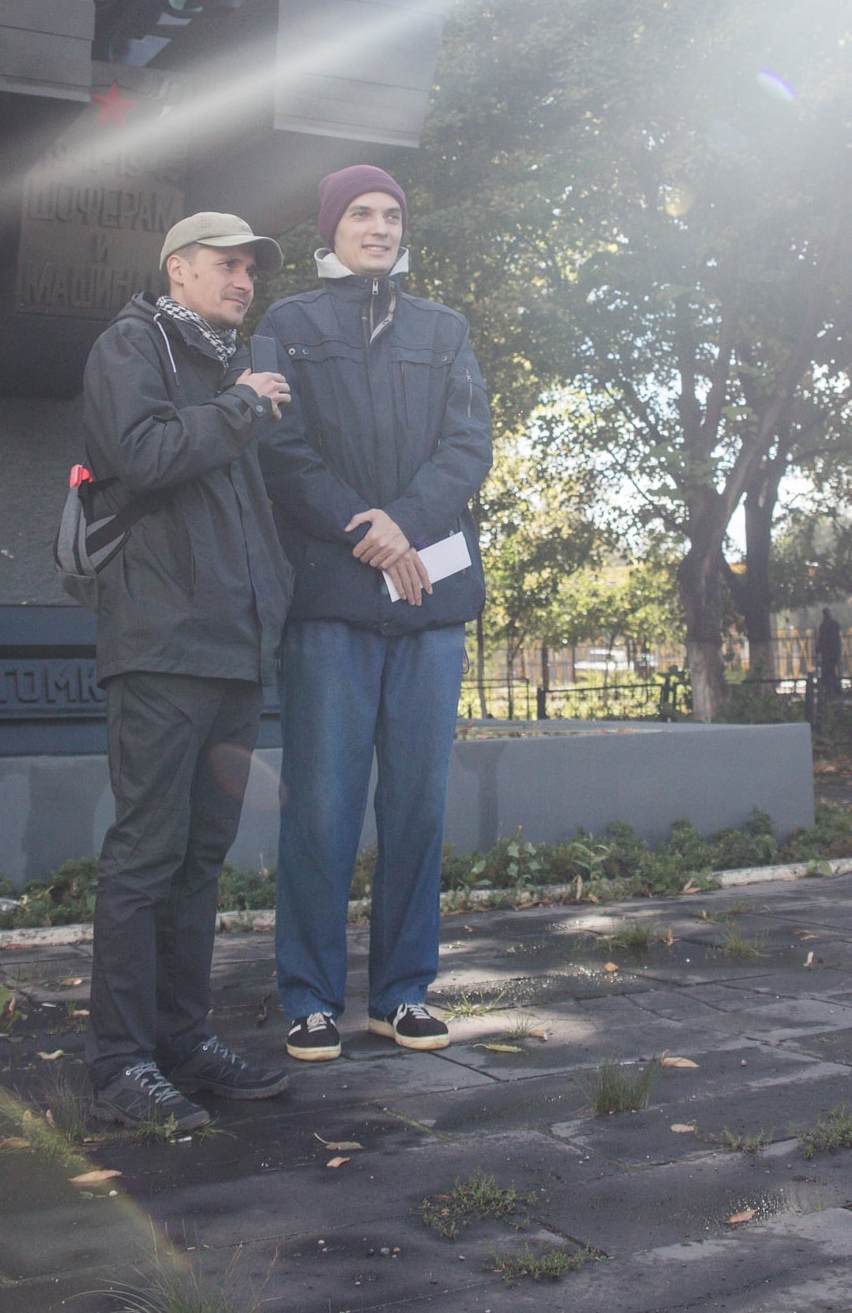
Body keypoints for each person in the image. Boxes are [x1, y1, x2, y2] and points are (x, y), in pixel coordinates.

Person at [256, 165, 492, 1062]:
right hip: (332, 602)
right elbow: (281, 447)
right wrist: (370, 530)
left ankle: (403, 993)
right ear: (331, 228)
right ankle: (310, 997)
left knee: (418, 804)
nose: (380, 226)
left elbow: (471, 443)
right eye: (361, 213)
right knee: (321, 804)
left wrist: (408, 524)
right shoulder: (287, 326)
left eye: (392, 213)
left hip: (431, 601)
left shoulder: (445, 329)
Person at [79, 212, 296, 1130]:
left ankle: (181, 1039)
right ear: (178, 269)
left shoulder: (224, 368)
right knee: (145, 853)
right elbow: (145, 456)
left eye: (251, 268)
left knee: (200, 856)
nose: (243, 280)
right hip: (163, 646)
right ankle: (120, 1064)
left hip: (235, 651)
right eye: (226, 264)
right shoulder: (135, 344)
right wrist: (244, 404)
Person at [814, 607, 843, 703]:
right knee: (834, 671)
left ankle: (828, 691)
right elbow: (837, 639)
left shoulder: (823, 626)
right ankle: (835, 689)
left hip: (826, 653)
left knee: (827, 672)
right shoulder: (835, 624)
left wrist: (818, 649)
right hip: (834, 652)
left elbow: (821, 639)